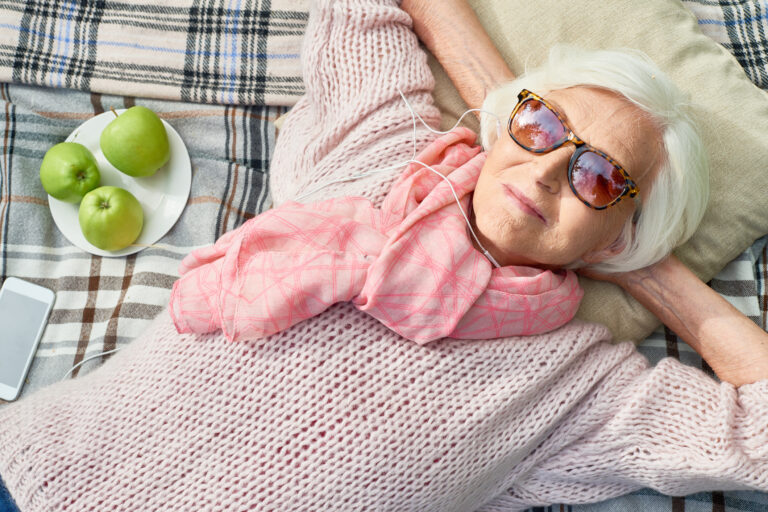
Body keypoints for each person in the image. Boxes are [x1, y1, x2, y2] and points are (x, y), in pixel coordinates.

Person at [0, 1, 765, 511]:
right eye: (542, 128)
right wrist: (508, 105)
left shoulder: (577, 387)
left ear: (625, 232)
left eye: (599, 177)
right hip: (27, 473)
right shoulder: (389, 152)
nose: (545, 171)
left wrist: (654, 273)